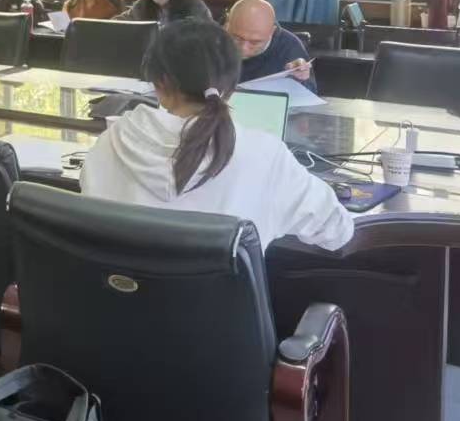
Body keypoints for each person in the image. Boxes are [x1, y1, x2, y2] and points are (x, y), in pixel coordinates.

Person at [79, 22, 352, 251]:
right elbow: (336, 232)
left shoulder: (113, 141)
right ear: (232, 83)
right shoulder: (264, 154)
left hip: (117, 298)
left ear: (159, 83)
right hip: (215, 303)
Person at [226, 0, 315, 89]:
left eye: (254, 42)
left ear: (271, 32)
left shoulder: (289, 46)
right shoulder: (217, 38)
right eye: (237, 38)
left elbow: (310, 93)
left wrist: (300, 79)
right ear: (227, 25)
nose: (244, 49)